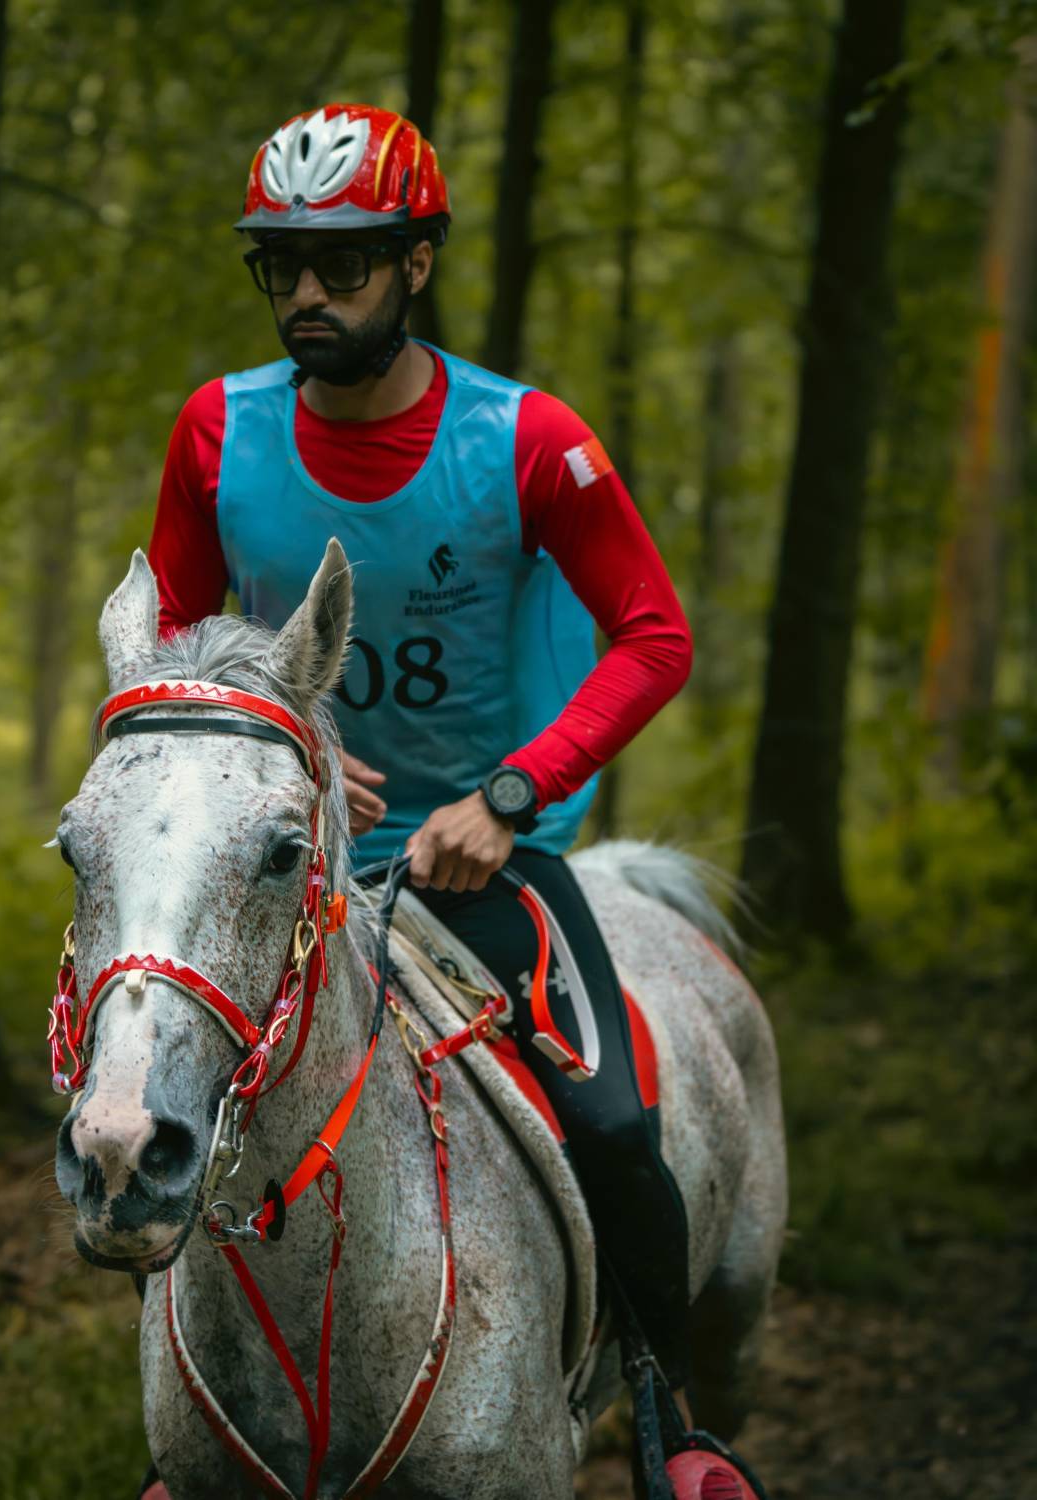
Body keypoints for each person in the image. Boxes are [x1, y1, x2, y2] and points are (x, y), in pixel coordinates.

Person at [146, 102, 713, 1487]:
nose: (308, 295)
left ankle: (666, 1421)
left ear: (420, 263)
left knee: (620, 1120)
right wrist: (279, 727)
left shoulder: (530, 439)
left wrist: (514, 794)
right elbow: (172, 643)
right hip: (291, 863)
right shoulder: (218, 430)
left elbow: (655, 636)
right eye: (280, 265)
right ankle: (195, 1435)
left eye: (345, 265)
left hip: (488, 861)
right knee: (148, 1086)